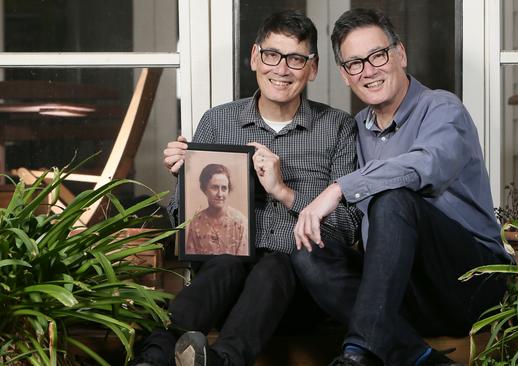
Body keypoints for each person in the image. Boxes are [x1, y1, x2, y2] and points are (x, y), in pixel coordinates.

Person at [132, 10, 360, 366]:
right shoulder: (218, 121)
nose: (281, 69)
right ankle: (154, 356)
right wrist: (188, 180)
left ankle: (221, 360)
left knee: (274, 266)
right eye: (272, 55)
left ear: (312, 68)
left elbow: (347, 228)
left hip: (299, 297)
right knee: (226, 264)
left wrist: (284, 192)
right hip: (224, 293)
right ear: (255, 57)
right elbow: (184, 225)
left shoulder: (337, 129)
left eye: (296, 59)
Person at [292, 8, 514, 366]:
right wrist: (283, 191)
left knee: (393, 198)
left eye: (377, 55)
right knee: (308, 254)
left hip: (469, 284)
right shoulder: (358, 129)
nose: (368, 70)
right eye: (355, 63)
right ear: (345, 75)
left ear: (400, 54)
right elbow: (347, 217)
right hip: (402, 292)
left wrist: (338, 188)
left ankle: (358, 353)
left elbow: (426, 165)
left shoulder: (442, 108)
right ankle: (422, 357)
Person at [185, 164, 248, 256]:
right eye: (214, 187)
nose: (220, 194)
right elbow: (192, 260)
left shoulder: (241, 222)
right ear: (205, 189)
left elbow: (244, 262)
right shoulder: (196, 223)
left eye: (224, 188)